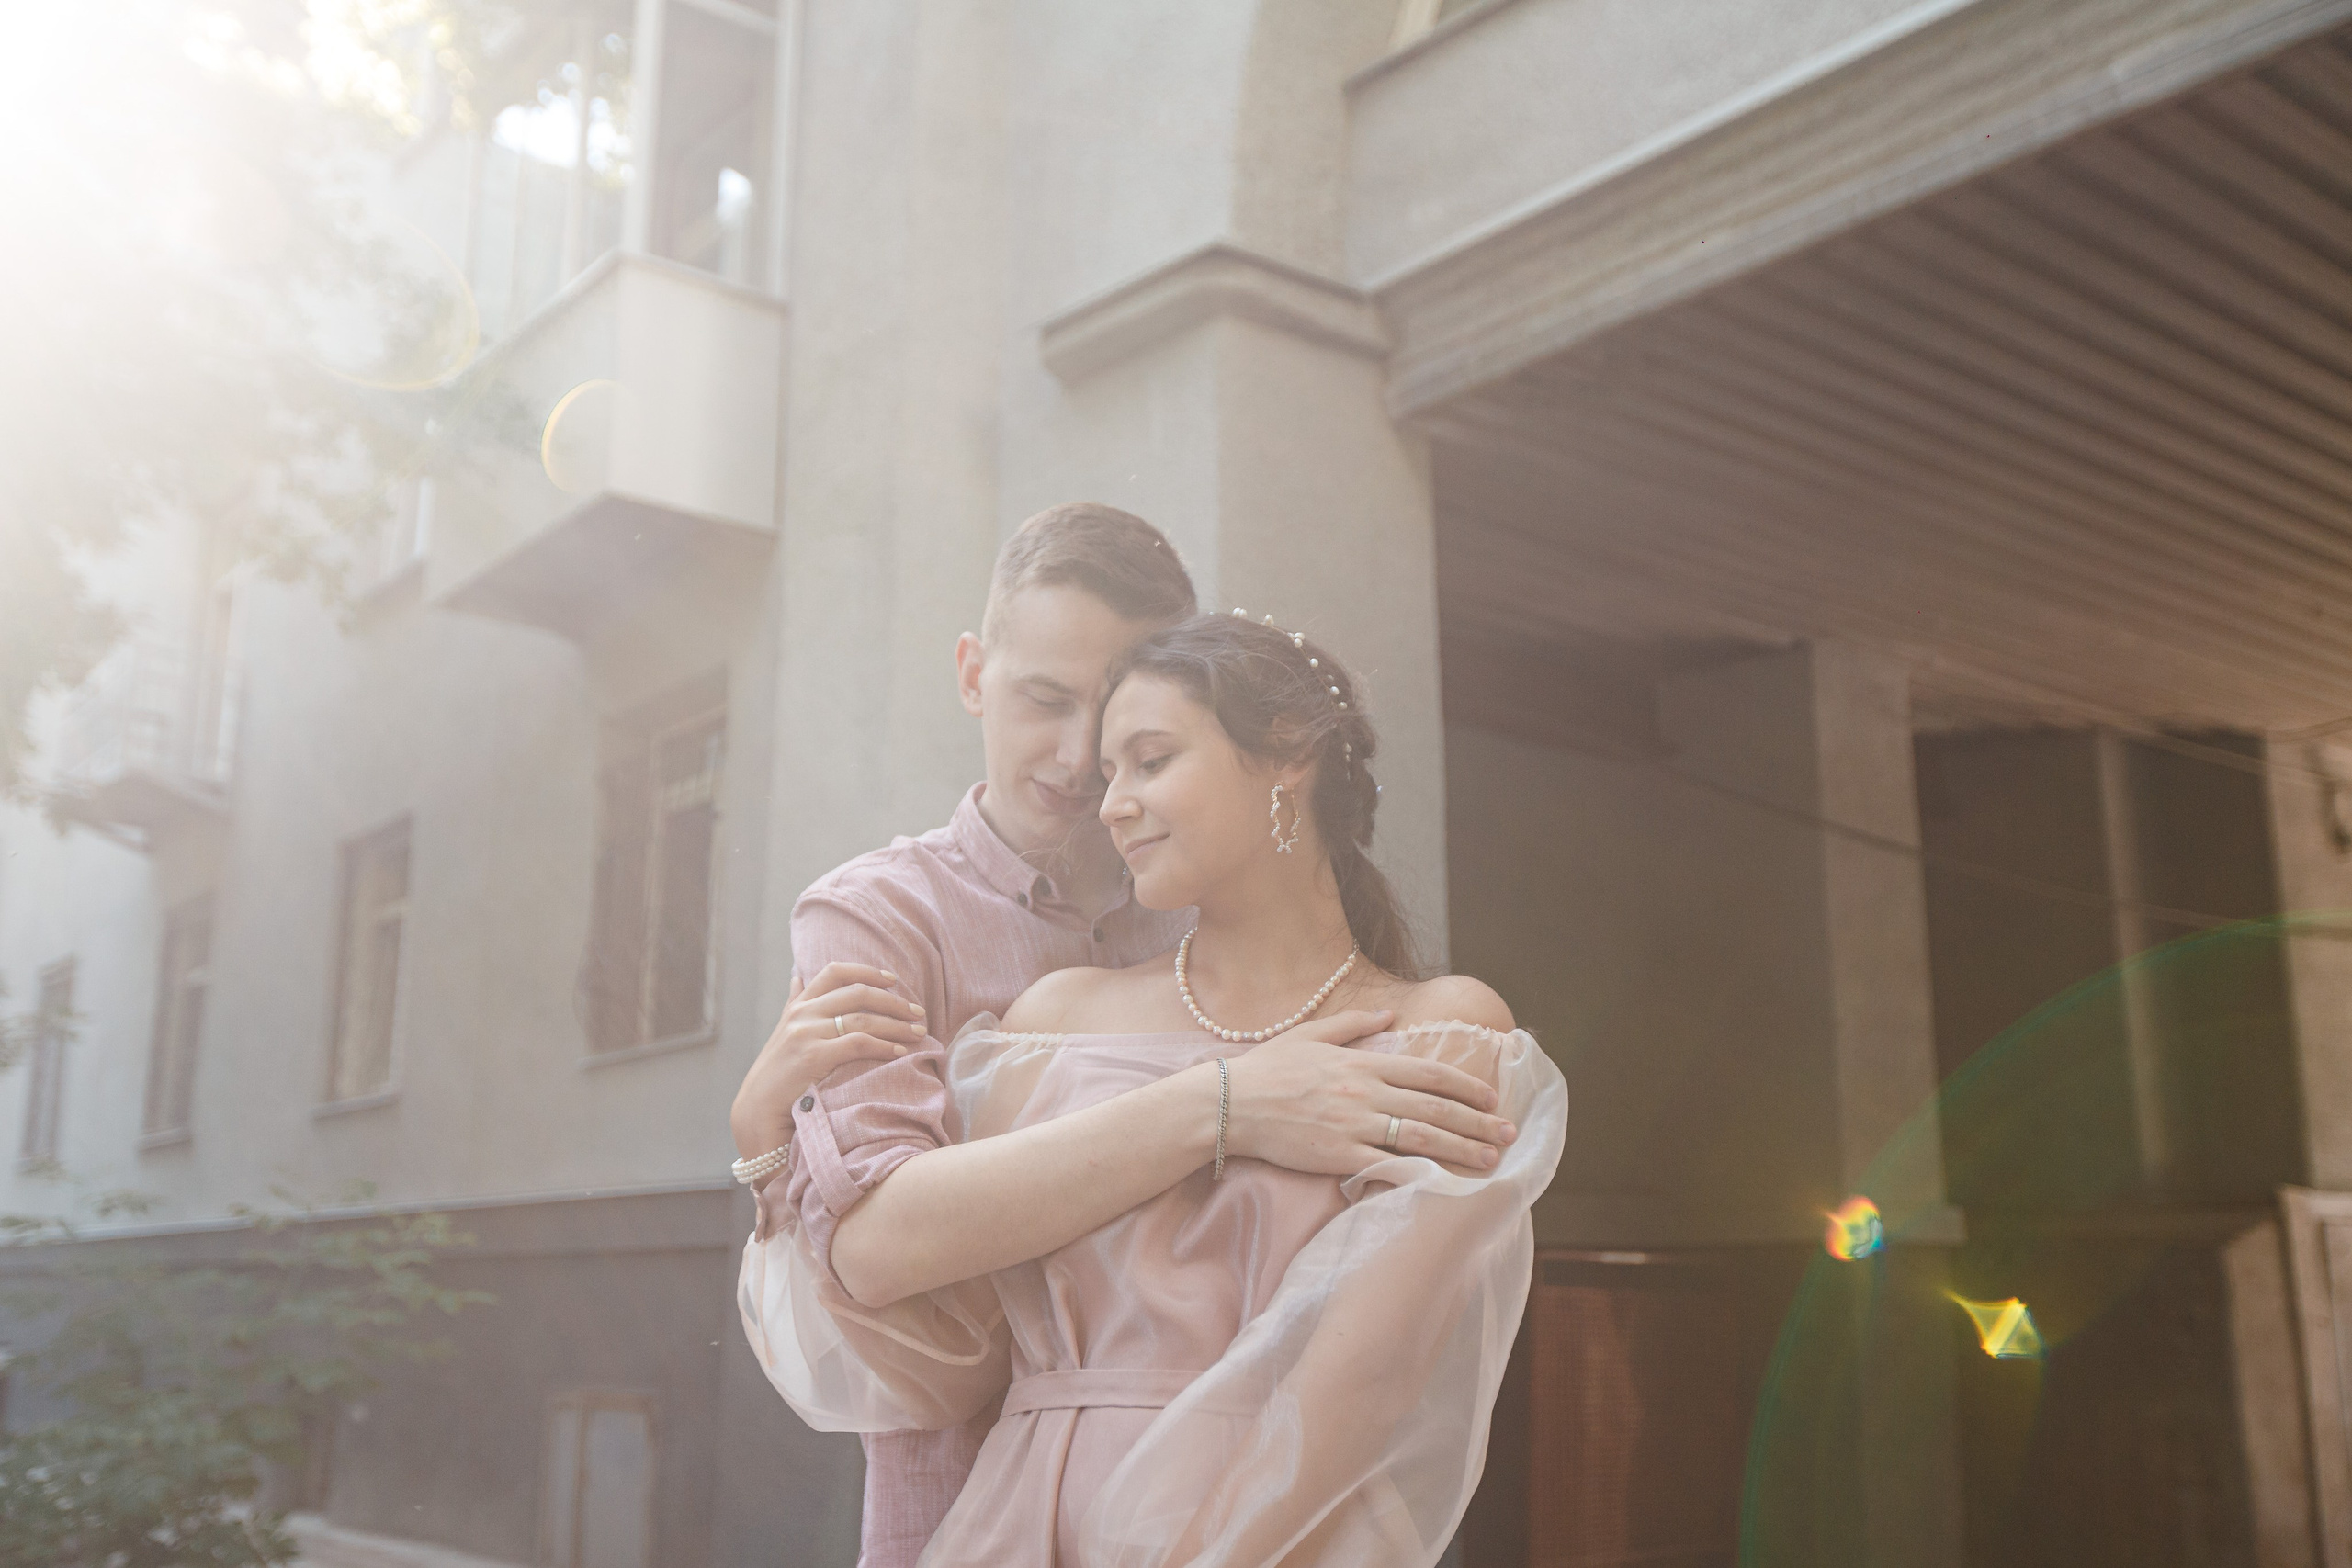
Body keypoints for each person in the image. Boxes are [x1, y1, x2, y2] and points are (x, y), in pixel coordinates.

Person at [729, 506, 1517, 1568]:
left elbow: (1374, 1377)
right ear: (973, 675)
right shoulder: (886, 918)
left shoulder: (1219, 918)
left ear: (1278, 759)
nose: (1089, 776)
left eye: (1134, 745)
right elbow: (884, 1256)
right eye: (1044, 703)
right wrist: (1228, 1105)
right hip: (969, 1513)